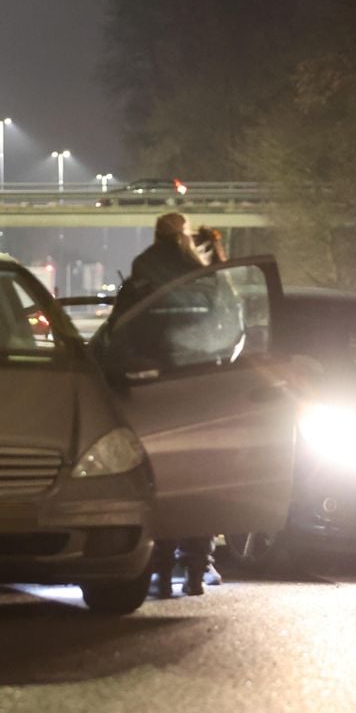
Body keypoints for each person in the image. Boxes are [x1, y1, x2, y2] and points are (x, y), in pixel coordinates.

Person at [112, 213, 229, 598]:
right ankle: (196, 569)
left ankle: (161, 570)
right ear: (185, 235)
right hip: (201, 387)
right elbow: (230, 320)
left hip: (154, 389)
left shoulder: (142, 271)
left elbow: (122, 329)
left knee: (160, 481)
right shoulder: (203, 274)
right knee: (202, 481)